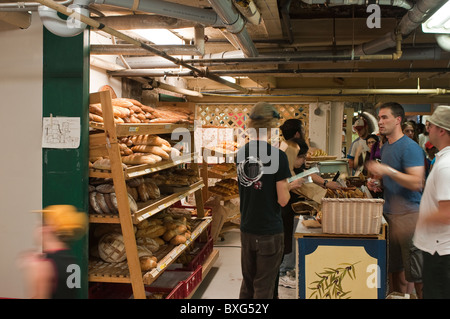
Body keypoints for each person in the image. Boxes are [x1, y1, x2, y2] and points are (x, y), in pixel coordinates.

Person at [236, 102, 303, 299]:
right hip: (269, 232)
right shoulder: (277, 156)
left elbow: (251, 186)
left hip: (247, 228)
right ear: (271, 126)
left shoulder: (241, 153)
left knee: (248, 285)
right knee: (264, 288)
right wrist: (290, 185)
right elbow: (283, 200)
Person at [366, 102, 425, 298]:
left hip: (410, 217)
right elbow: (393, 179)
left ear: (398, 120)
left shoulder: (410, 148)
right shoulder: (386, 147)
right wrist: (378, 184)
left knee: (418, 275)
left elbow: (416, 182)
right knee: (394, 270)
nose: (380, 122)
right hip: (390, 215)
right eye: (379, 117)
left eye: (384, 118)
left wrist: (386, 171)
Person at [413, 105, 450, 299]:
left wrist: (416, 223)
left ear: (441, 130)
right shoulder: (442, 160)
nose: (428, 129)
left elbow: (447, 212)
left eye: (431, 125)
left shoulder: (446, 165)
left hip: (441, 252)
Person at [19, 205, 87, 299]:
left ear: (48, 229)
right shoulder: (72, 261)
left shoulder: (43, 266)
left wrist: (31, 272)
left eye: (41, 224)